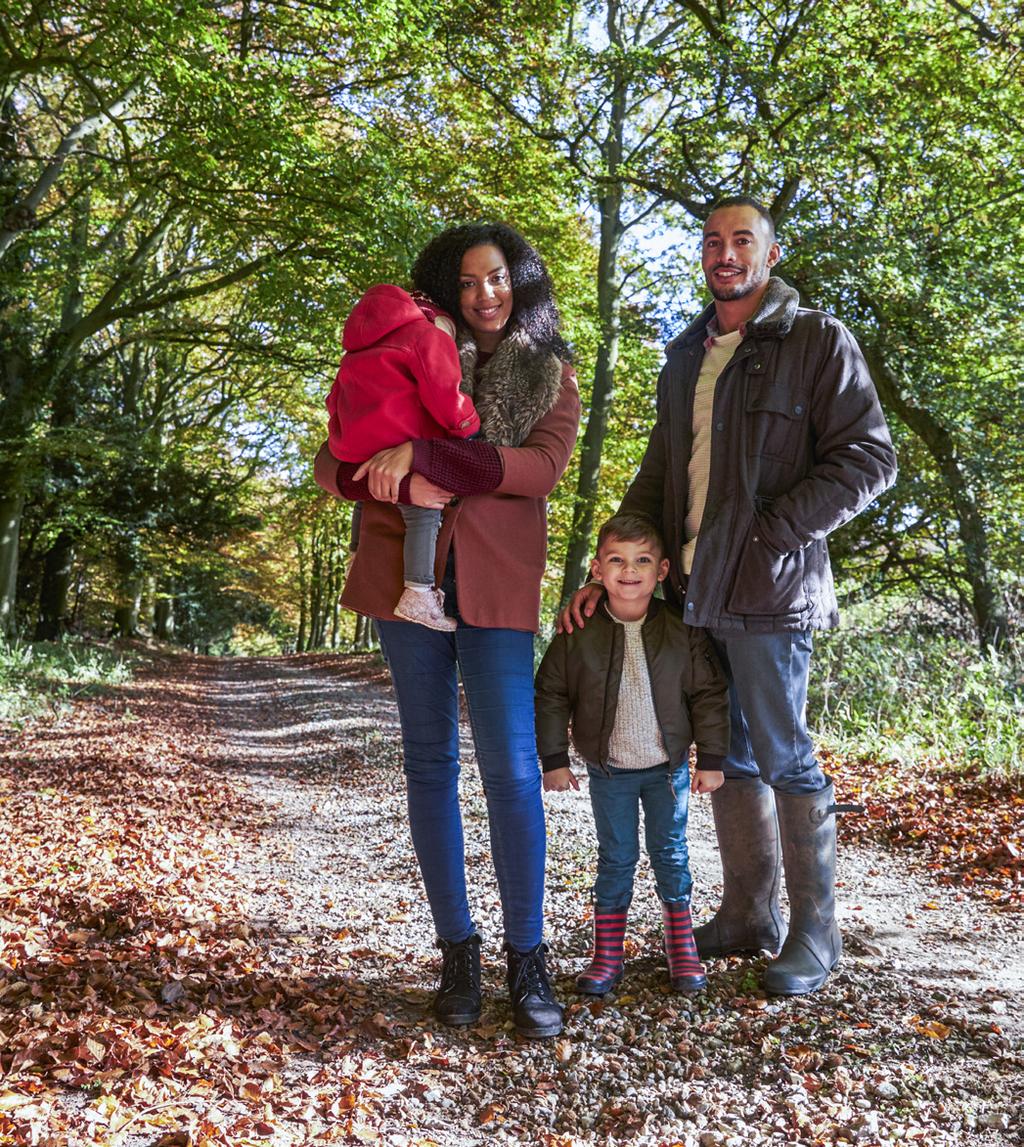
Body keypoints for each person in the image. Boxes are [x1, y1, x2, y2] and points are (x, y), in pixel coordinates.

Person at [561, 197, 897, 996]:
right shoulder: (687, 357)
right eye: (713, 241)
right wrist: (607, 563)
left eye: (742, 240)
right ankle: (750, 913)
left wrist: (772, 532)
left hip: (772, 592)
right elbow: (655, 478)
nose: (726, 252)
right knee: (727, 753)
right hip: (694, 596)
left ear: (770, 255)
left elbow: (869, 459)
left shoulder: (816, 341)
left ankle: (817, 935)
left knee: (784, 754)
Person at [315, 223, 581, 1037]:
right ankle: (456, 953)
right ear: (447, 290)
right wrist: (389, 471)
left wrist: (431, 456)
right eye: (466, 283)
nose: (483, 295)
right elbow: (331, 464)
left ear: (521, 282)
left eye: (496, 278)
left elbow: (541, 468)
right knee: (429, 761)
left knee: (511, 769)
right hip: (407, 586)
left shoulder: (549, 372)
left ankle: (527, 957)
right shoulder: (404, 348)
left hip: (498, 587)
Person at [536, 512, 730, 996]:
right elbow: (551, 694)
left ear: (662, 570)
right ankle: (607, 955)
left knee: (671, 856)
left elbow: (708, 693)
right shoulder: (578, 628)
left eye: (642, 560)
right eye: (617, 560)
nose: (630, 570)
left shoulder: (681, 629)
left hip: (668, 772)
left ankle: (680, 945)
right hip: (611, 772)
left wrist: (711, 759)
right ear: (598, 570)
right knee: (616, 859)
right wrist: (554, 759)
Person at [325, 284, 480, 631]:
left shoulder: (356, 351)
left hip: (357, 446)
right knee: (424, 510)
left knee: (366, 499)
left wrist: (341, 437)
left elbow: (333, 400)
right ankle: (419, 591)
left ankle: (357, 557)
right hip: (400, 439)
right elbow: (443, 392)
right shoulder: (426, 336)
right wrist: (466, 425)